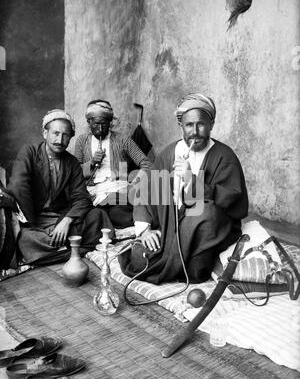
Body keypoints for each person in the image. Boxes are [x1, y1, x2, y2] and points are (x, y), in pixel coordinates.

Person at [119, 93, 249, 284]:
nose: (195, 131)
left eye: (201, 124)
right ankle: (173, 253)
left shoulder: (224, 156)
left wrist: (191, 179)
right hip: (170, 225)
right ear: (181, 126)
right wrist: (145, 230)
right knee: (139, 259)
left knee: (198, 263)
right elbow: (147, 188)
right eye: (189, 125)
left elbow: (228, 203)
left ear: (211, 124)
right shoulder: (170, 153)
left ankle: (186, 258)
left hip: (204, 230)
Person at [7, 109, 113, 266]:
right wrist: (32, 222)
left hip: (57, 216)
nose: (60, 140)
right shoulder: (29, 153)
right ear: (45, 133)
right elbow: (18, 186)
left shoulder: (72, 163)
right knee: (24, 238)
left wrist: (66, 221)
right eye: (55, 133)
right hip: (31, 217)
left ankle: (59, 248)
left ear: (70, 138)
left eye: (65, 135)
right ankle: (73, 247)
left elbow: (82, 198)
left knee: (98, 215)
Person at [74, 100, 152, 229]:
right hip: (93, 193)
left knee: (116, 214)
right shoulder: (82, 141)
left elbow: (146, 164)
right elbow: (75, 173)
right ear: (89, 122)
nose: (100, 129)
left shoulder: (123, 139)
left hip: (118, 190)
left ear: (110, 123)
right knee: (92, 217)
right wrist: (92, 163)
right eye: (96, 124)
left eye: (104, 124)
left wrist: (135, 182)